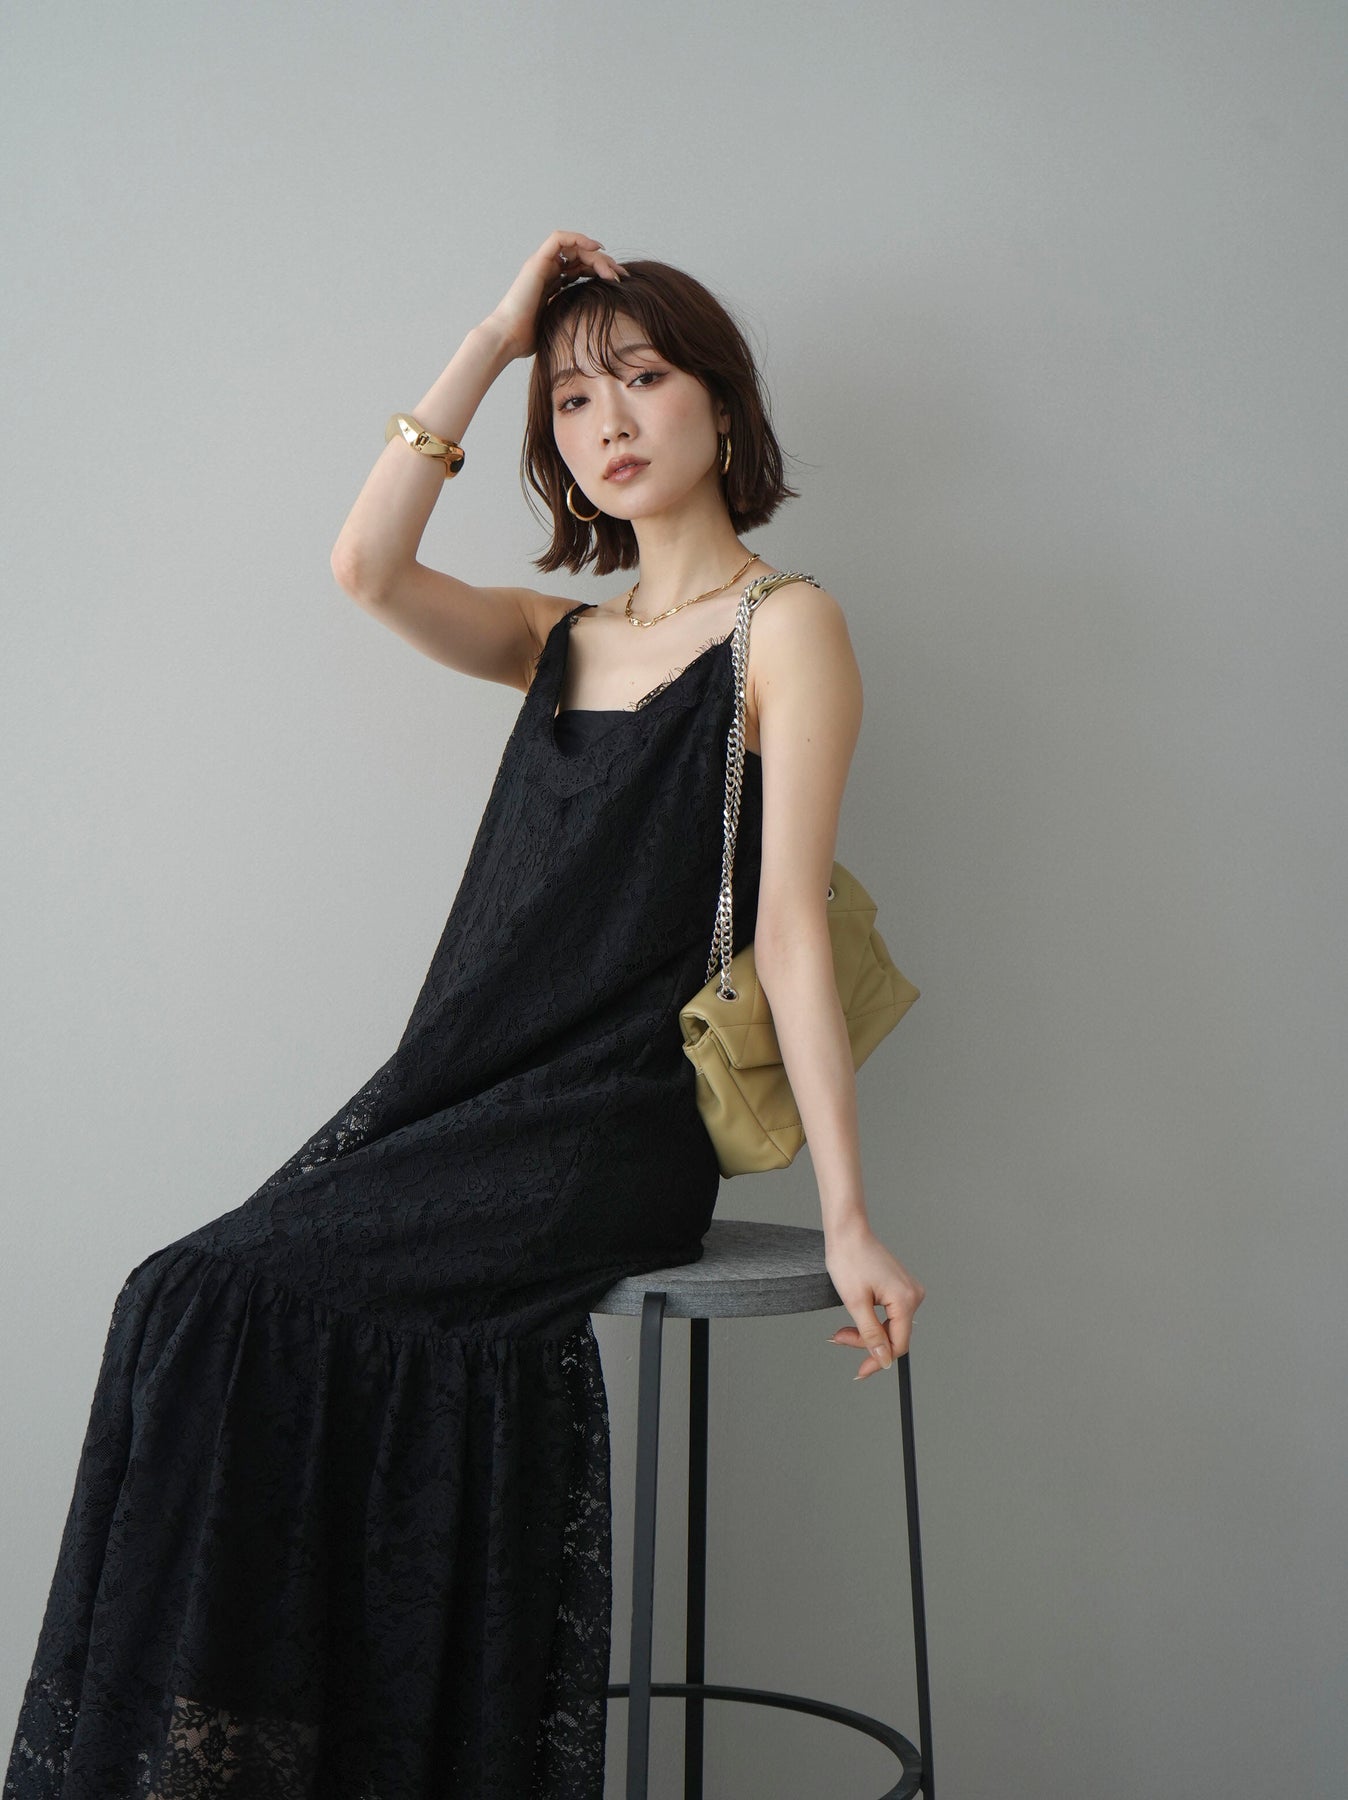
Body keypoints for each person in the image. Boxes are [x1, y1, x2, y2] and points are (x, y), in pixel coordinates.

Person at [4, 230, 925, 1798]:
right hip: (455, 1095)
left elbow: (786, 938)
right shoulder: (558, 638)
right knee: (183, 1299)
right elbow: (365, 566)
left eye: (642, 378)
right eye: (571, 400)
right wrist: (497, 337)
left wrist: (849, 1216)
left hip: (610, 1127)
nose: (608, 420)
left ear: (720, 404)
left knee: (215, 1296)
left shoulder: (787, 630)